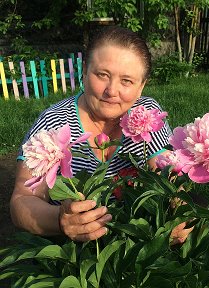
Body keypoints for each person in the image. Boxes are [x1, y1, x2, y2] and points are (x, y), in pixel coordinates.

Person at [10, 26, 192, 244]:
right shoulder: (53, 123)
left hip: (135, 243)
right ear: (85, 70)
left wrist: (178, 212)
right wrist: (60, 220)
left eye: (127, 81)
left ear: (141, 86)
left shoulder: (147, 115)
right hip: (73, 252)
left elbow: (166, 173)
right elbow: (22, 199)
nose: (112, 91)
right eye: (102, 75)